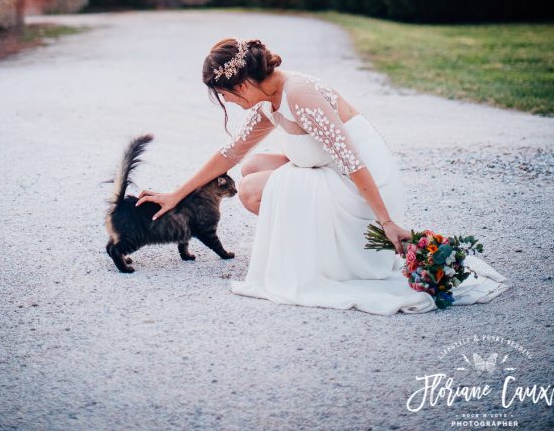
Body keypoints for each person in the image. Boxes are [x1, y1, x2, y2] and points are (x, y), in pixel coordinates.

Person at [137, 37, 509, 315]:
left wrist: (388, 221)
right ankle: (320, 243)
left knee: (250, 189)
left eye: (226, 96)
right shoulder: (269, 96)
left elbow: (352, 161)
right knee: (249, 166)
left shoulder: (297, 93)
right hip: (333, 172)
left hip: (362, 186)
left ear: (242, 85)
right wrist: (176, 194)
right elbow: (230, 153)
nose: (230, 103)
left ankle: (326, 255)